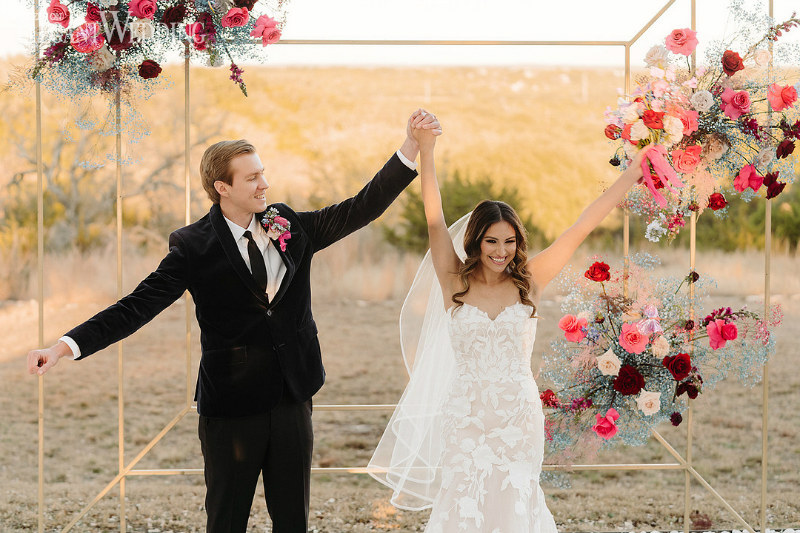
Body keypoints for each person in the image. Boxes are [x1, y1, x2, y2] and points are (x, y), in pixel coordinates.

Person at [26, 109, 441, 533]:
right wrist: (63, 347)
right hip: (231, 407)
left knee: (293, 521)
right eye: (252, 177)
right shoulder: (193, 246)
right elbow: (136, 306)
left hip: (293, 396)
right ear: (222, 187)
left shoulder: (289, 225)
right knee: (226, 520)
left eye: (263, 173)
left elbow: (361, 207)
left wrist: (410, 145)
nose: (265, 184)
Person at [369, 114, 649, 532]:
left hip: (518, 417)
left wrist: (631, 175)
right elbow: (434, 218)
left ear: (518, 243)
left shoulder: (529, 281)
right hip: (464, 415)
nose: (500, 251)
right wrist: (426, 150)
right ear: (476, 241)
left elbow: (580, 227)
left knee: (515, 502)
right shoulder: (454, 281)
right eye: (491, 241)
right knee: (464, 502)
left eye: (509, 241)